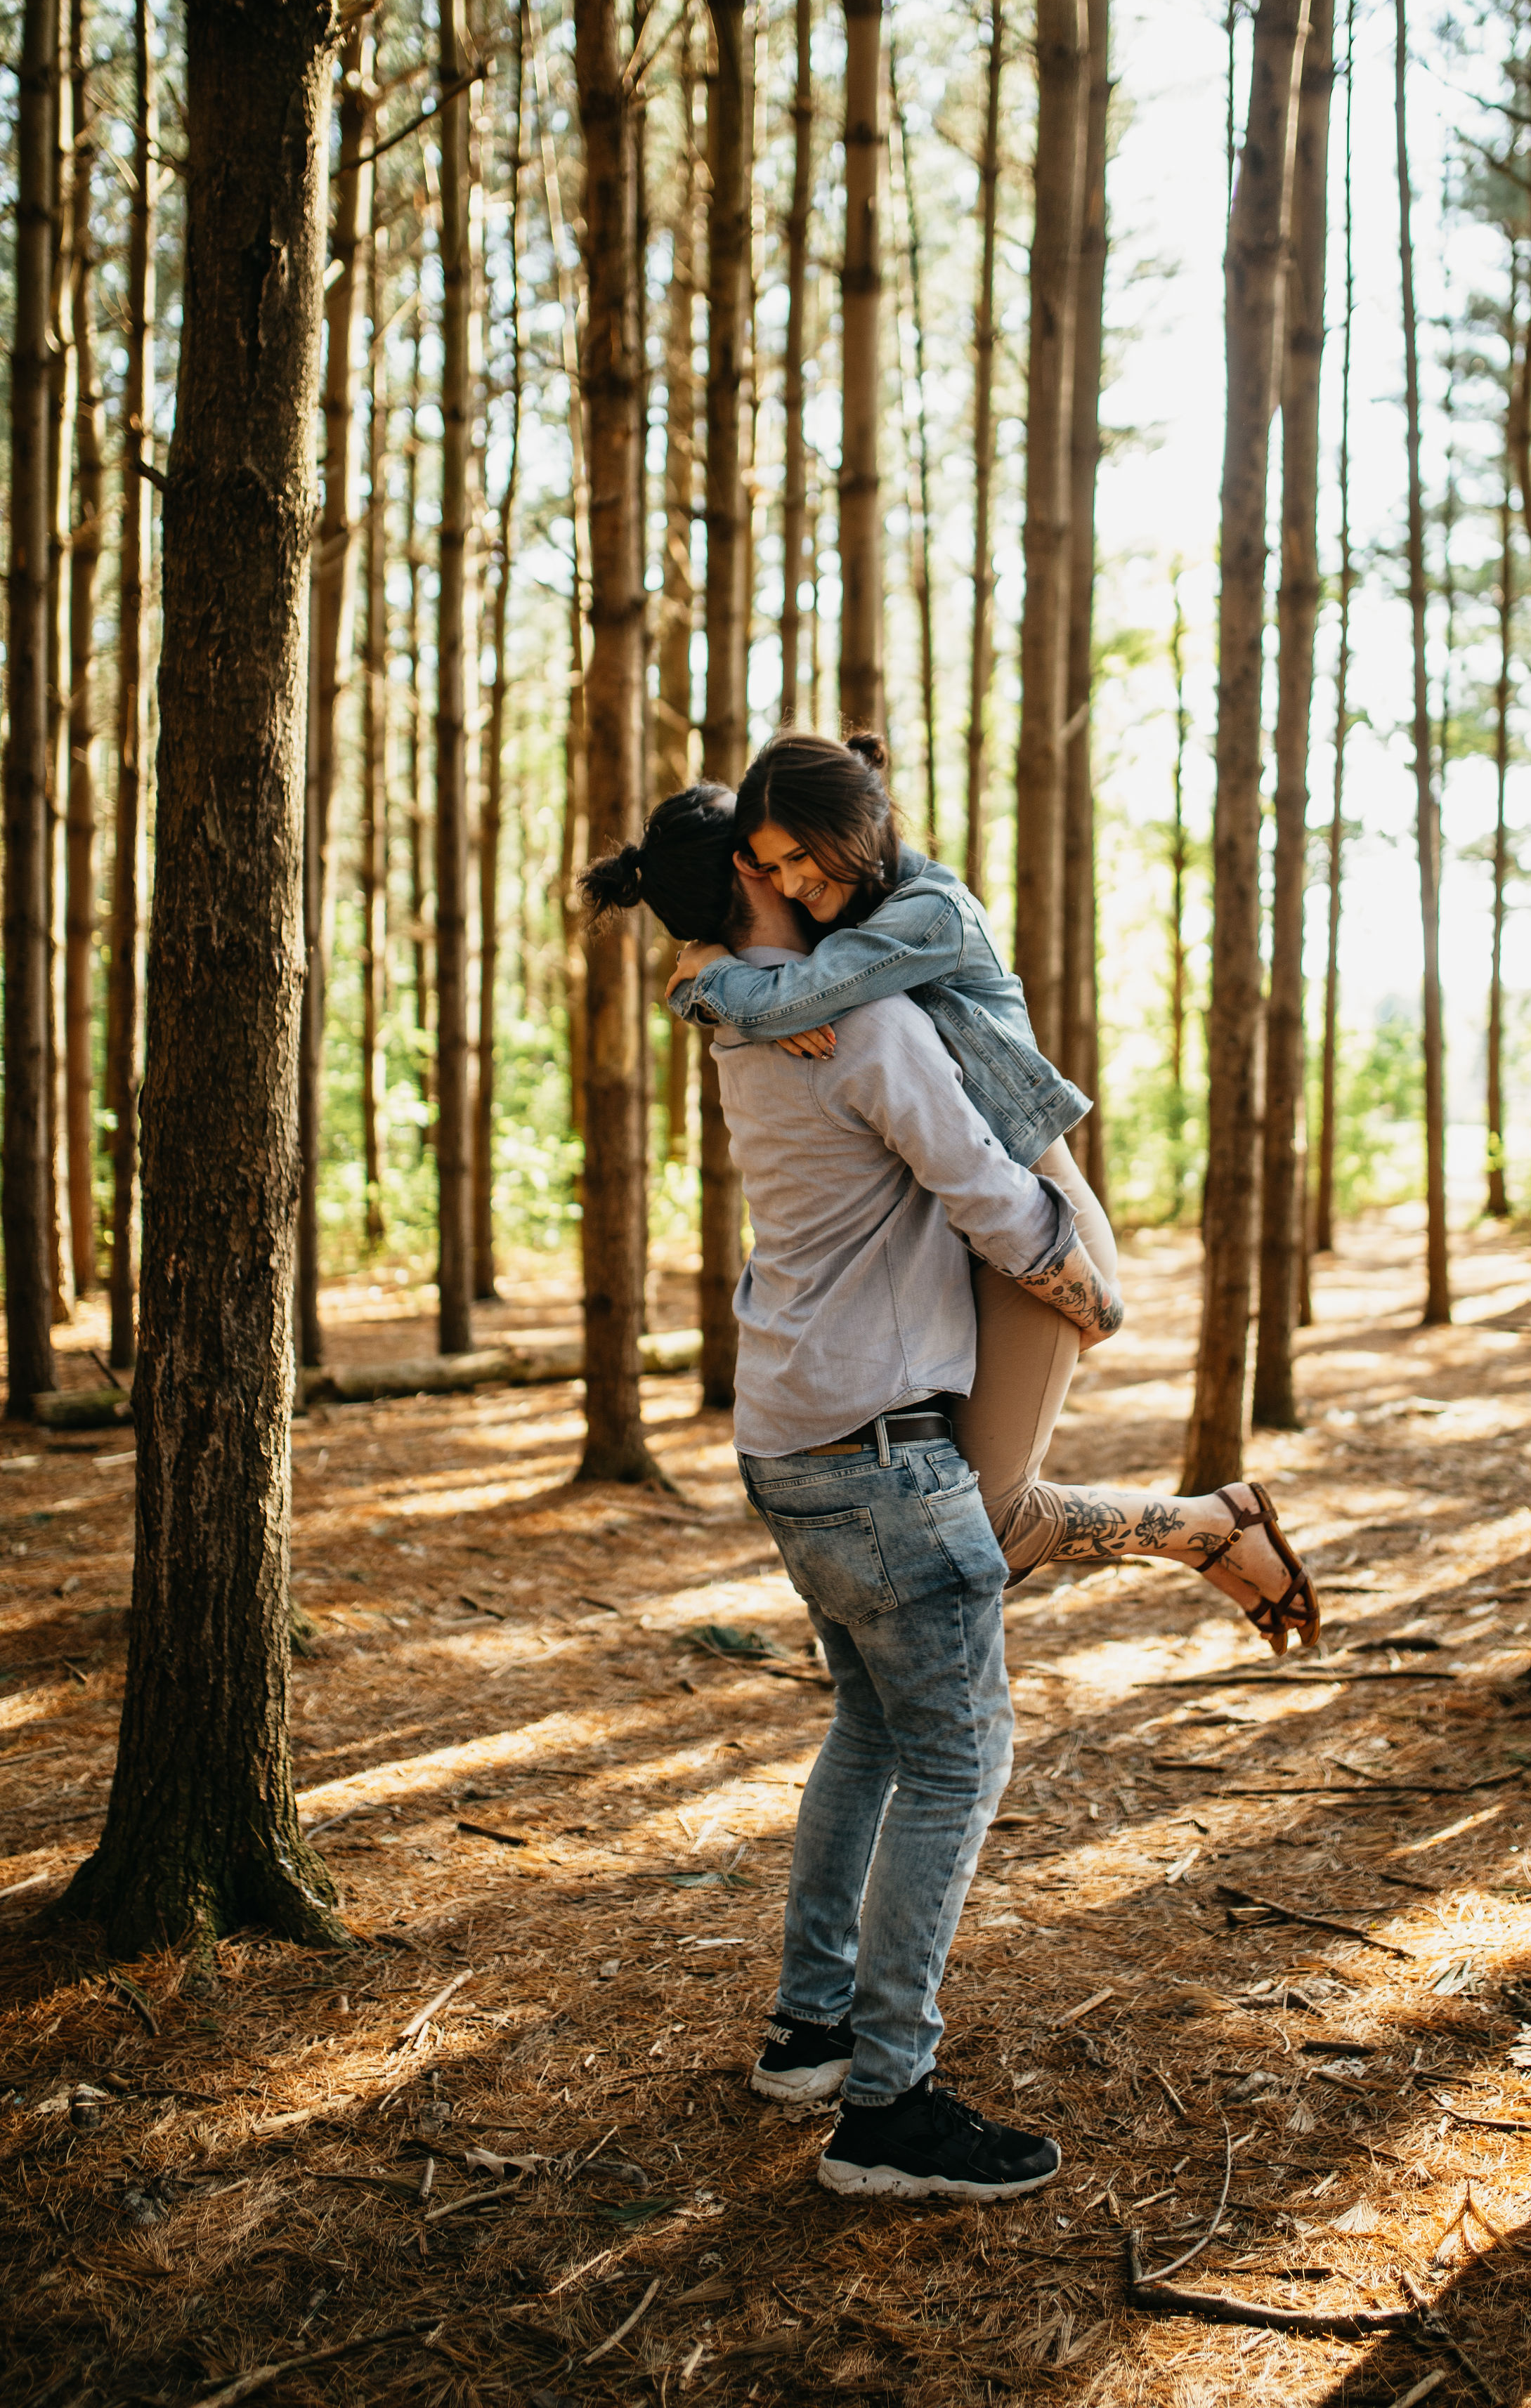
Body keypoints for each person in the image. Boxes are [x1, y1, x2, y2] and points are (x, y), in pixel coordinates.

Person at [588, 799, 1122, 2199]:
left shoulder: (748, 1027)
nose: (804, 875)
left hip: (789, 1441)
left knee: (870, 1733)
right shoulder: (860, 1026)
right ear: (760, 880)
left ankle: (810, 2030)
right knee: (956, 1756)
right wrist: (1082, 1283)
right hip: (881, 1457)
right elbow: (983, 1191)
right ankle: (888, 2105)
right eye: (778, 861)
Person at [663, 735, 1316, 1644]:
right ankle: (1213, 1528)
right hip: (964, 1233)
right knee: (961, 1524)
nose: (793, 884)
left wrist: (711, 982)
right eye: (773, 869)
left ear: (854, 827)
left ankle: (1212, 1529)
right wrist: (711, 976)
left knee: (990, 1533)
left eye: (800, 859)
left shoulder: (927, 912)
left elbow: (797, 997)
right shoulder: (839, 911)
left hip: (1034, 1207)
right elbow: (781, 988)